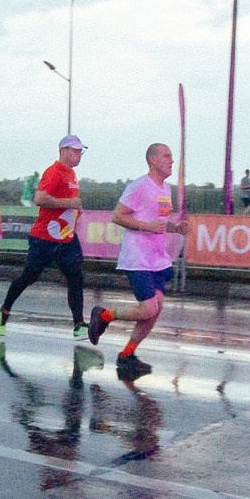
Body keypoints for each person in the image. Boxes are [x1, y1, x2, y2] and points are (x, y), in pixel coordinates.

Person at [87, 141, 181, 379]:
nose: (172, 160)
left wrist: (176, 227)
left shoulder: (166, 189)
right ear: (152, 160)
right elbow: (118, 216)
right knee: (148, 307)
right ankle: (104, 315)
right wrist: (146, 226)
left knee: (155, 310)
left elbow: (158, 222)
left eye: (172, 156)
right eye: (167, 156)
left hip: (158, 258)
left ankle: (127, 355)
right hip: (137, 257)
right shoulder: (139, 186)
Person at [0, 135, 94, 340]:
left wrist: (76, 208)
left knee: (76, 277)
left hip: (66, 237)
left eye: (80, 151)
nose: (78, 155)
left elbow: (67, 201)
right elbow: (40, 198)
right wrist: (70, 204)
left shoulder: (71, 174)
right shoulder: (54, 172)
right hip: (45, 237)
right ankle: (4, 311)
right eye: (75, 151)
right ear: (62, 151)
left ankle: (79, 325)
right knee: (30, 276)